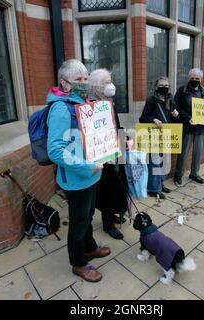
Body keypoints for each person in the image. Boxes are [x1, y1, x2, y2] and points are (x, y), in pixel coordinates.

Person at [47, 59, 109, 283]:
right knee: (78, 223)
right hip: (76, 178)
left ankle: (89, 247)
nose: (84, 83)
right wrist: (87, 166)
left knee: (89, 214)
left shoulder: (84, 104)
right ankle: (78, 263)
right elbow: (55, 150)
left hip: (91, 175)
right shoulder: (61, 109)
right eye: (78, 80)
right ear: (64, 84)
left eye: (85, 78)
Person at [89, 68, 128, 240]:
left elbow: (115, 124)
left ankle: (113, 212)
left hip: (116, 148)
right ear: (97, 87)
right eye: (106, 82)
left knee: (117, 184)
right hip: (103, 153)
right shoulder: (91, 105)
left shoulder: (109, 101)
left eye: (110, 81)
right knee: (107, 188)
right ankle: (108, 224)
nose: (111, 85)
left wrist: (123, 139)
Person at [139, 76, 179, 199]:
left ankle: (160, 184)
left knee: (164, 163)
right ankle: (153, 188)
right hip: (154, 136)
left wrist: (176, 115)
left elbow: (174, 118)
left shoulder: (170, 100)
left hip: (167, 136)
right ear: (156, 87)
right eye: (162, 85)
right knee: (155, 164)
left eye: (166, 86)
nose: (164, 88)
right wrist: (153, 119)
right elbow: (142, 118)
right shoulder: (151, 100)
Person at [173, 68, 204, 185]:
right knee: (183, 152)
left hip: (201, 128)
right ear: (189, 78)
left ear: (201, 79)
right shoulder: (181, 91)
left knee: (198, 152)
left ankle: (195, 173)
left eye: (197, 78)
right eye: (192, 78)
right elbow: (176, 107)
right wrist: (188, 118)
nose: (195, 80)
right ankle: (178, 174)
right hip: (187, 126)